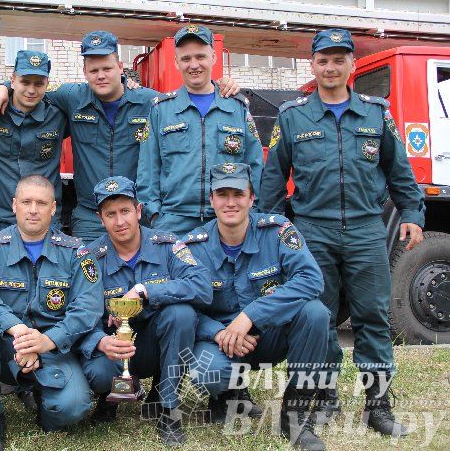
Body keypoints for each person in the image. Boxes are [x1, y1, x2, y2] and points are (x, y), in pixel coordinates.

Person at [259, 28, 424, 437]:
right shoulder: (292, 116)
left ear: (351, 65)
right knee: (320, 319)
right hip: (313, 231)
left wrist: (413, 213)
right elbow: (273, 180)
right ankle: (324, 397)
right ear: (312, 65)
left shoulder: (375, 113)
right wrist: (270, 227)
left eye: (338, 59)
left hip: (367, 230)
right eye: (323, 60)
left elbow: (399, 170)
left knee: (372, 319)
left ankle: (378, 406)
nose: (330, 67)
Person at [0, 30, 242, 242]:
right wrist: (3, 88)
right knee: (88, 280)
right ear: (84, 72)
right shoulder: (71, 97)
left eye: (107, 68)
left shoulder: (150, 101)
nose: (101, 75)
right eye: (94, 70)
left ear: (120, 66)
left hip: (134, 214)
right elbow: (32, 92)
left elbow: (189, 103)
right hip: (90, 215)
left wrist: (219, 87)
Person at [189, 163, 328, 451]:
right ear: (211, 200)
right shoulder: (193, 247)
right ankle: (225, 395)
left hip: (268, 336)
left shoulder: (277, 231)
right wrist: (219, 332)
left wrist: (251, 315)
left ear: (252, 198)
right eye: (222, 194)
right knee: (209, 373)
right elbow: (185, 309)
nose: (230, 202)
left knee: (315, 313)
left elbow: (312, 279)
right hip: (221, 342)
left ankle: (295, 418)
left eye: (238, 193)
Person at [0, 174, 102, 451]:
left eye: (41, 202)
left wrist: (48, 340)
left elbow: (89, 306)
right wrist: (17, 328)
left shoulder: (75, 252)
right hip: (4, 344)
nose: (33, 209)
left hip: (53, 347)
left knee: (73, 409)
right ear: (14, 205)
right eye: (26, 202)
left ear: (53, 208)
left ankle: (40, 399)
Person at [78, 176, 212, 447]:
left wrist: (145, 291)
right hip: (113, 349)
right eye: (111, 214)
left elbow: (202, 287)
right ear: (100, 219)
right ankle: (108, 398)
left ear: (139, 211)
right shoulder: (90, 257)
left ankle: (168, 407)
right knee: (98, 365)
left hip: (156, 346)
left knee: (181, 314)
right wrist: (101, 338)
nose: (120, 221)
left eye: (125, 211)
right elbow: (78, 310)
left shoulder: (168, 245)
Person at [137, 25, 263, 235]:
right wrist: (155, 215)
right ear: (176, 62)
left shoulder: (237, 108)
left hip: (227, 221)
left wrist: (253, 212)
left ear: (213, 57)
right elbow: (147, 170)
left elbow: (255, 166)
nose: (194, 65)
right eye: (186, 59)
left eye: (200, 56)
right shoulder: (161, 110)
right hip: (174, 222)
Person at [0, 51, 68, 235]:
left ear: (47, 84)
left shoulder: (59, 115)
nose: (31, 90)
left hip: (44, 219)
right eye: (25, 82)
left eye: (38, 84)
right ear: (13, 80)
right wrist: (1, 87)